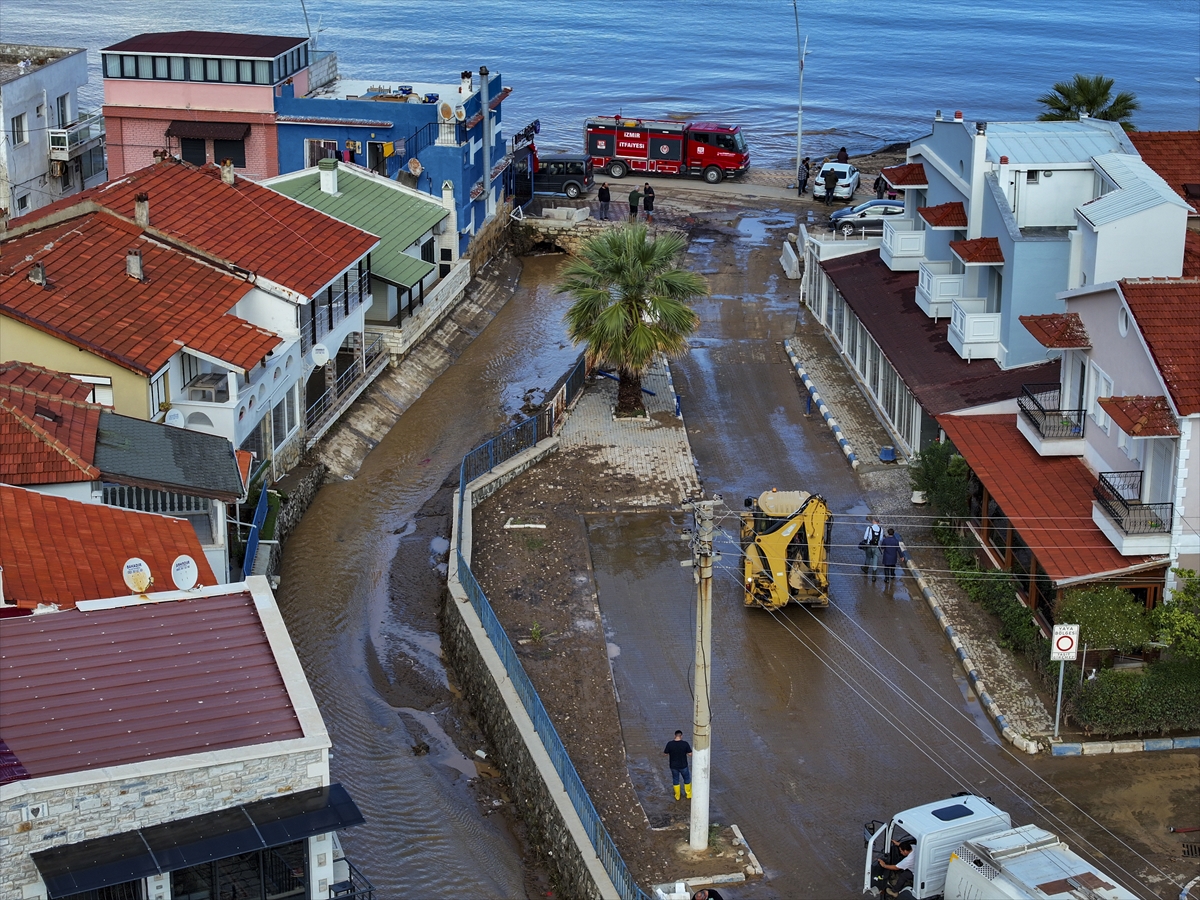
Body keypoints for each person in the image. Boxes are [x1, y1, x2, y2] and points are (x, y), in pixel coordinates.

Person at [664, 730, 692, 801]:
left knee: (676, 779)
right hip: (683, 765)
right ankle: (688, 794)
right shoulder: (685, 744)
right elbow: (690, 754)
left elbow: (665, 754)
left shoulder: (670, 744)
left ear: (675, 736)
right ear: (681, 736)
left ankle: (677, 796)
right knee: (687, 779)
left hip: (673, 766)